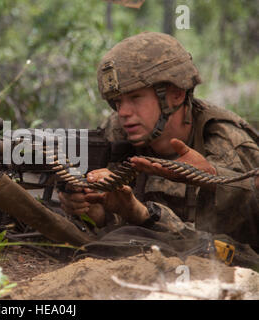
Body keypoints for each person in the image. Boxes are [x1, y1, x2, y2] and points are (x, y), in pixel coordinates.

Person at [58, 31, 259, 252]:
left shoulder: (225, 143)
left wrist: (210, 176)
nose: (123, 112)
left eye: (135, 98)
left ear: (176, 94)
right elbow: (122, 224)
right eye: (117, 101)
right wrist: (97, 213)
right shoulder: (117, 133)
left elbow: (214, 248)